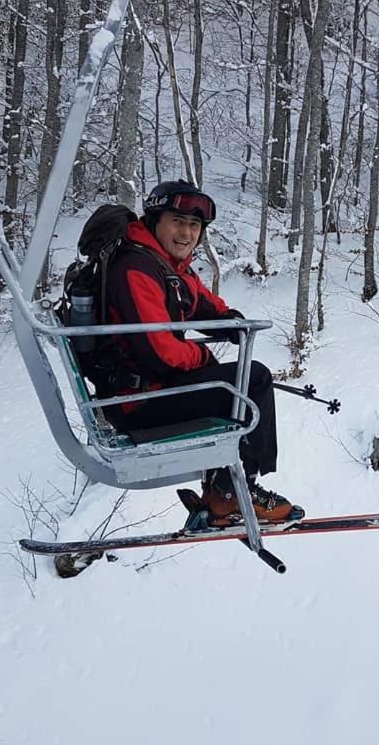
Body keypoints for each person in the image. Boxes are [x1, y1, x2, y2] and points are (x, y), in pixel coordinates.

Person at [102, 180, 302, 526]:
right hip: (137, 402)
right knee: (252, 380)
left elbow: (200, 304)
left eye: (194, 225)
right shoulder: (136, 269)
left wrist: (230, 322)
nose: (187, 233)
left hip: (152, 391)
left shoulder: (164, 265)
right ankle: (233, 494)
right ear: (154, 220)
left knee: (237, 380)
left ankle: (222, 489)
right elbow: (158, 352)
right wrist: (200, 356)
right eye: (177, 221)